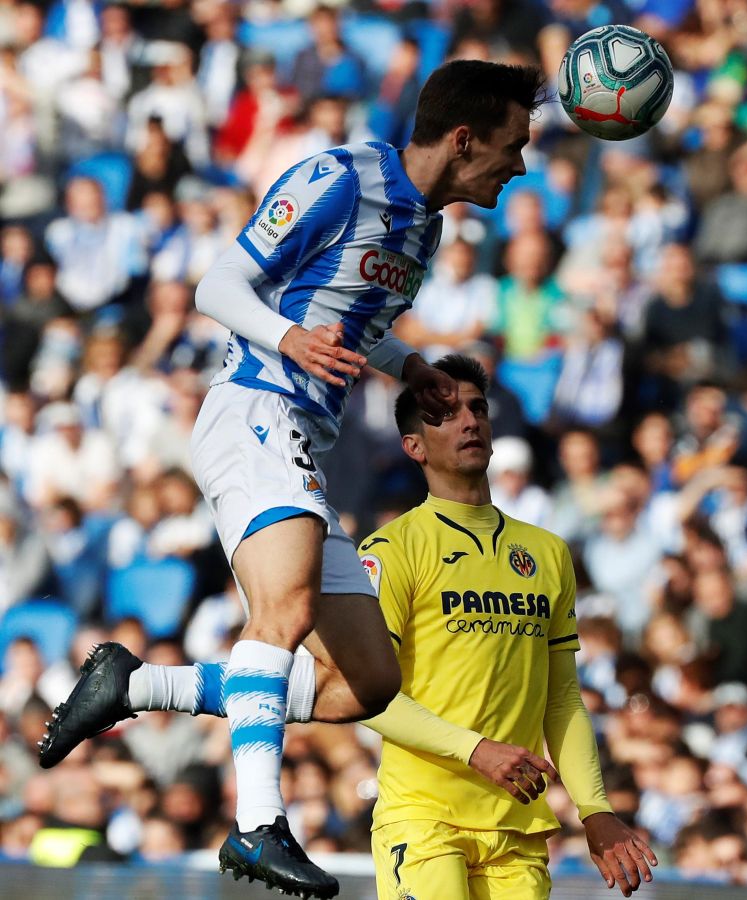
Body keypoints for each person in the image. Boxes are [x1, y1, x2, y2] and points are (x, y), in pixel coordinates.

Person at [37, 60, 547, 897]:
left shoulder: (425, 230)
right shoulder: (339, 177)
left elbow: (345, 321)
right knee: (285, 612)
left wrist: (407, 363)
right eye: (511, 145)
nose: (518, 165)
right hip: (253, 408)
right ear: (464, 139)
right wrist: (283, 340)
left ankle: (134, 684)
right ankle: (257, 827)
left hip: (300, 436)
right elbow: (217, 285)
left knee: (365, 684)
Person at [361, 354, 655, 899]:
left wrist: (595, 810)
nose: (470, 420)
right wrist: (474, 749)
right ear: (414, 446)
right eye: (445, 414)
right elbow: (370, 695)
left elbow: (562, 695)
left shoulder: (548, 553)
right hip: (423, 819)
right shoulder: (391, 550)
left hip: (517, 830)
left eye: (478, 408)